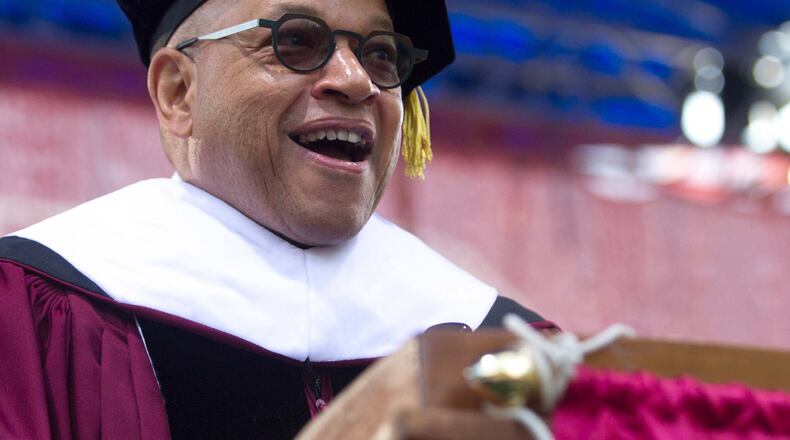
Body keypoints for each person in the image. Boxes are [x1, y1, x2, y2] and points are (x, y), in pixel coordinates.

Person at [0, 0, 556, 438]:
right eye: (295, 41)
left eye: (381, 54)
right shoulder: (32, 310)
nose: (356, 80)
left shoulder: (505, 344)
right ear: (179, 92)